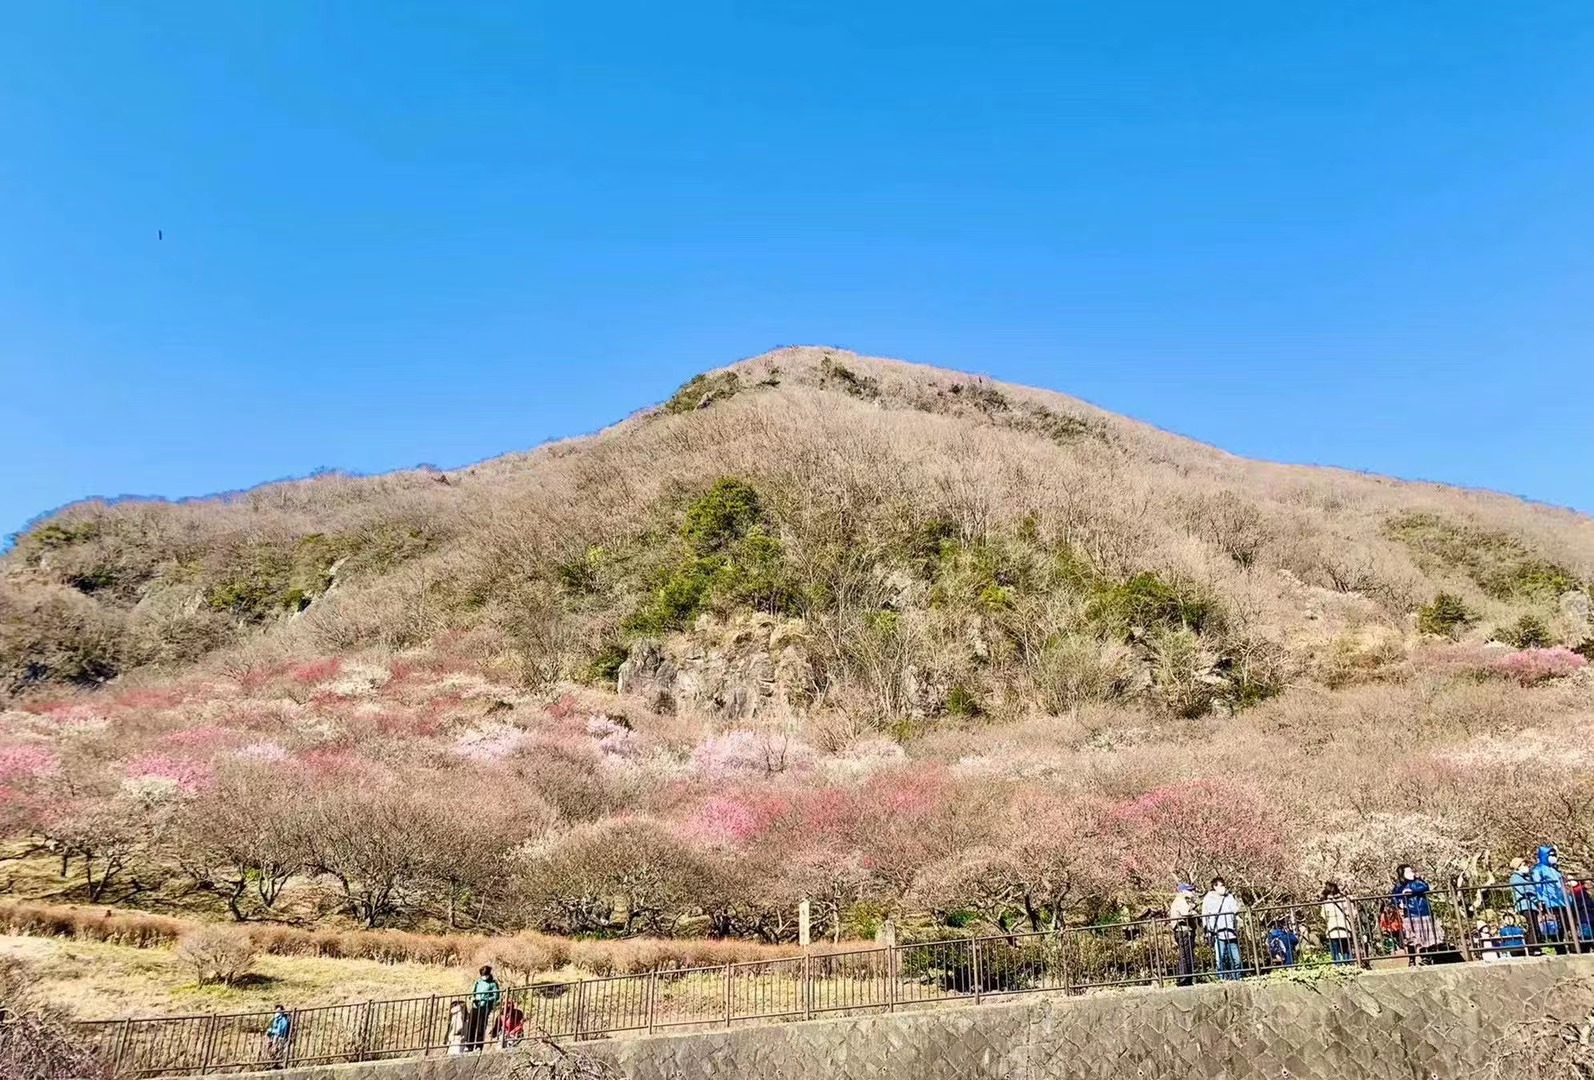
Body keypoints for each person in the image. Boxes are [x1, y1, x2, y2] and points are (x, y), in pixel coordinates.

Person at [1392, 864, 1441, 966]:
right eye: (1408, 872)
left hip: (1423, 912)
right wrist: (1400, 902)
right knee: (1411, 938)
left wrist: (1412, 891)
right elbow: (1393, 897)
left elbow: (1425, 887)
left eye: (1411, 871)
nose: (1412, 874)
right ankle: (1411, 960)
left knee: (1425, 937)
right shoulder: (1399, 886)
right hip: (1410, 913)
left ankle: (1426, 958)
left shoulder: (1418, 882)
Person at [1201, 877, 1243, 981]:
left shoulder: (1229, 897)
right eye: (1220, 885)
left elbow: (1235, 909)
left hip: (1231, 931)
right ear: (1215, 887)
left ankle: (1236, 978)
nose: (1223, 888)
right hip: (1217, 932)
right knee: (1220, 959)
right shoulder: (1208, 898)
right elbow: (1205, 914)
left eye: (1223, 885)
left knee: (1236, 959)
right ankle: (1222, 978)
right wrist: (1207, 930)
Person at [1531, 845, 1569, 948]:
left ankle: (1569, 945)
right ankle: (1559, 947)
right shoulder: (1538, 869)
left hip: (1561, 900)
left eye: (1554, 855)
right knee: (1554, 925)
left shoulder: (1554, 869)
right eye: (1551, 855)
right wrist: (1540, 900)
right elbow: (1537, 885)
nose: (1553, 857)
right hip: (1549, 901)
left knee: (1566, 924)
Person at [1168, 883, 1199, 987]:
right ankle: (1184, 979)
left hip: (1184, 930)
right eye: (1189, 890)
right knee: (1185, 955)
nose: (1192, 892)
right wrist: (1193, 910)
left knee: (1187, 954)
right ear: (1182, 891)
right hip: (1183, 931)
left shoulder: (1182, 901)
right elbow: (1185, 913)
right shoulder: (1180, 901)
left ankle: (1187, 978)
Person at [1510, 857, 1541, 950]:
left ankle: (1536, 946)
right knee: (1531, 926)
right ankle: (1533, 947)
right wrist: (1533, 893)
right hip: (1524, 905)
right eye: (1523, 865)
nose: (1526, 867)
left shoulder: (1527, 877)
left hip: (1531, 904)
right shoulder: (1515, 877)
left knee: (1535, 926)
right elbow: (1524, 890)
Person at [1320, 882, 1355, 965]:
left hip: (1332, 930)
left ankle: (1338, 967)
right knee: (1346, 951)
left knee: (1335, 952)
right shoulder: (1345, 901)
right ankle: (1349, 966)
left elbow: (1323, 916)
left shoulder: (1326, 904)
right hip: (1345, 929)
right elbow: (1353, 914)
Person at [469, 965, 501, 1051]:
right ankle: (469, 1045)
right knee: (472, 1025)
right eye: (483, 975)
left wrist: (485, 999)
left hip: (485, 1006)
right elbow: (473, 992)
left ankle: (479, 1045)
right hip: (475, 1005)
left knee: (481, 1026)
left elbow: (496, 996)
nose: (484, 977)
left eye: (486, 975)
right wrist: (472, 998)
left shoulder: (493, 984)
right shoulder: (478, 982)